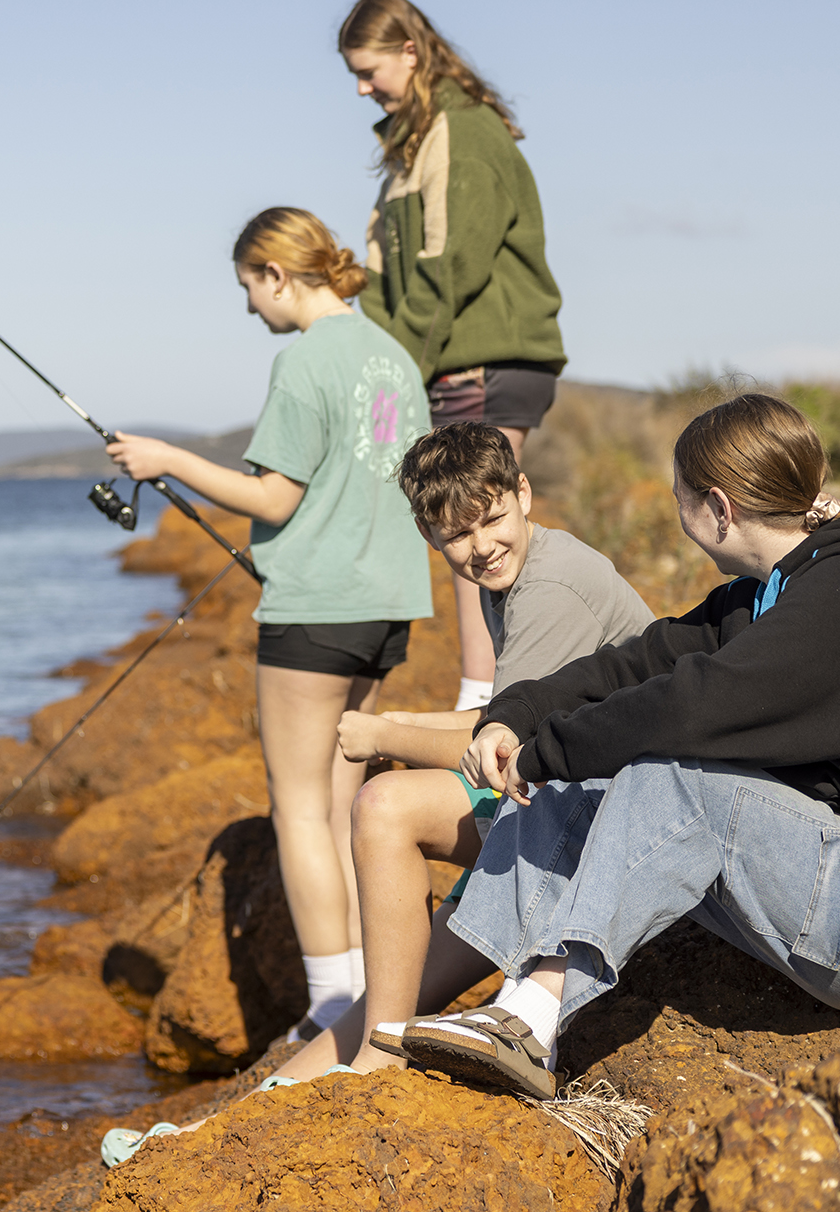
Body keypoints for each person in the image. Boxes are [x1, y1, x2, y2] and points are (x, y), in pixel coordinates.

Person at [393, 394, 840, 1099]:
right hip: (831, 869)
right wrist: (512, 717)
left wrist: (543, 750)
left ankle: (532, 1018)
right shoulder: (771, 590)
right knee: (576, 782)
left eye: (679, 498)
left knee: (666, 773)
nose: (677, 516)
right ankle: (509, 1000)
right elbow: (640, 661)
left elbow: (691, 704)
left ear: (716, 506)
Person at [222, 423, 654, 1092]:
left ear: (524, 492)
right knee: (397, 987)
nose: (480, 547)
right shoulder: (511, 573)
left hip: (607, 815)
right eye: (456, 535)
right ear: (430, 536)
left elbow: (502, 747)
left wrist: (382, 737)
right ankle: (235, 1117)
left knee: (383, 806)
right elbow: (507, 715)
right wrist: (390, 721)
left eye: (491, 519)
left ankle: (381, 1057)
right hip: (559, 797)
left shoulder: (550, 586)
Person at [106, 207, 431, 1040]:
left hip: (316, 607)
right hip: (387, 602)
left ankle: (332, 1003)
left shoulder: (304, 364)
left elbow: (275, 497)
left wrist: (166, 458)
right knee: (342, 804)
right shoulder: (392, 359)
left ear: (277, 274)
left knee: (299, 810)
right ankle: (371, 988)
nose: (251, 306)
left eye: (250, 286)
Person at [339, 0, 567, 711]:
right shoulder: (406, 149)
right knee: (465, 529)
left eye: (367, 69)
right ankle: (492, 691)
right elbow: (383, 280)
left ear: (410, 51)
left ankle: (490, 700)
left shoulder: (464, 133)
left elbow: (448, 271)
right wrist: (363, 364)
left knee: (474, 528)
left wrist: (389, 366)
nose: (360, 87)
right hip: (445, 364)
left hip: (490, 362)